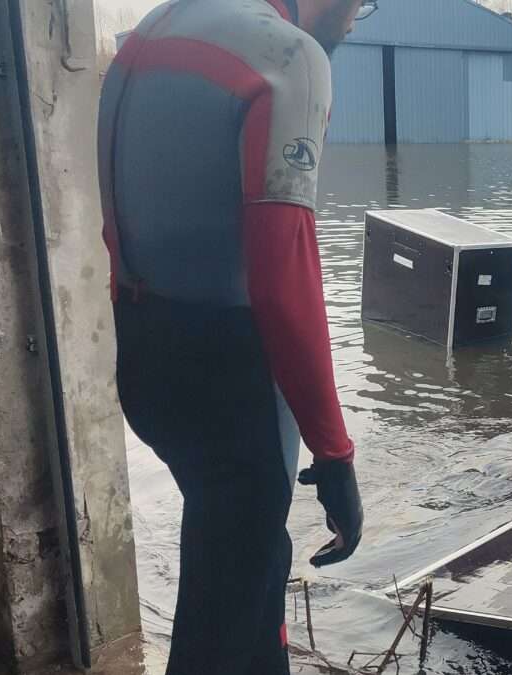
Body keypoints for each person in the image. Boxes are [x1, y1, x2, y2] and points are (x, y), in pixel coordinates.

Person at [97, 1, 375, 673]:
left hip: (146, 356)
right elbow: (284, 278)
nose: (355, 20)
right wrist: (335, 453)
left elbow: (117, 221)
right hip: (231, 378)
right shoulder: (290, 57)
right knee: (218, 630)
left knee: (252, 564)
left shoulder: (154, 30)